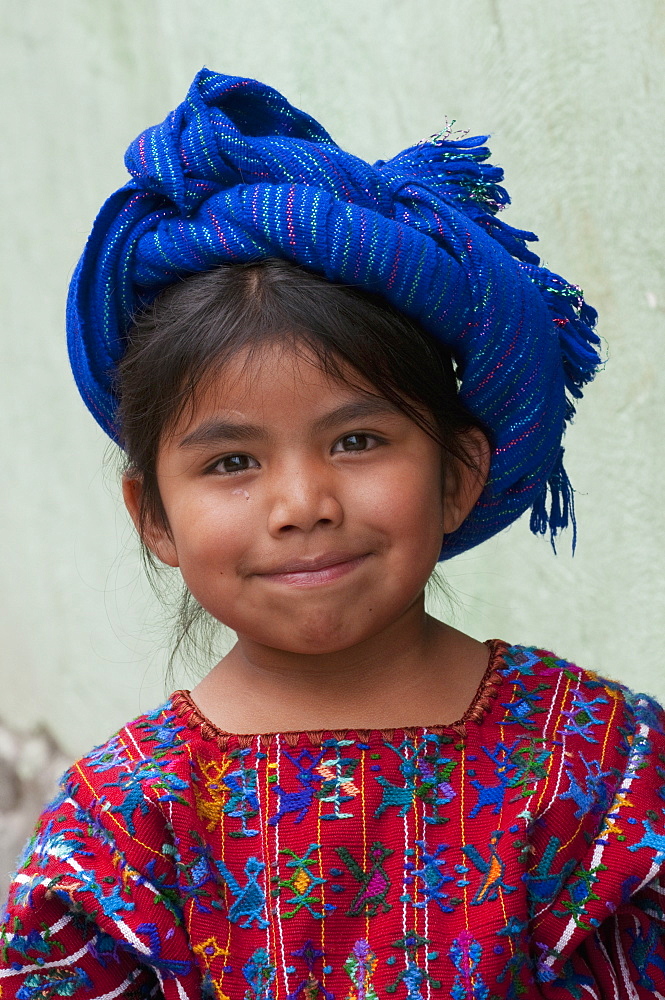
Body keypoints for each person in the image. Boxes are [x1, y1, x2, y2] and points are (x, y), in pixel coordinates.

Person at [2, 69, 664, 1000]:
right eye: (232, 462)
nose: (302, 502)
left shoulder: (596, 766)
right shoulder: (122, 822)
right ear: (154, 516)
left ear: (456, 474)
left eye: (357, 441)